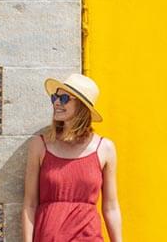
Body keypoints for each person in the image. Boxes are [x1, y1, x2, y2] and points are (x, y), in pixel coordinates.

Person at [22, 73, 122, 242]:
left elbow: (111, 207)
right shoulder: (39, 145)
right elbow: (30, 204)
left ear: (82, 106)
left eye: (64, 98)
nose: (56, 102)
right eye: (55, 97)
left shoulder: (105, 148)